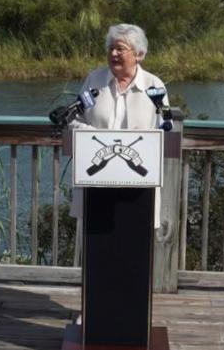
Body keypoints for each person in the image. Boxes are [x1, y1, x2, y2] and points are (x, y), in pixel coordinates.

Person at [69, 23, 169, 231]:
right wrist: (91, 135)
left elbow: (166, 127)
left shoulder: (153, 86)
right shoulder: (94, 82)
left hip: (139, 187)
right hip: (96, 183)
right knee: (97, 249)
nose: (113, 53)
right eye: (110, 49)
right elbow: (74, 118)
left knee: (133, 249)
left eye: (120, 49)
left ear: (139, 54)